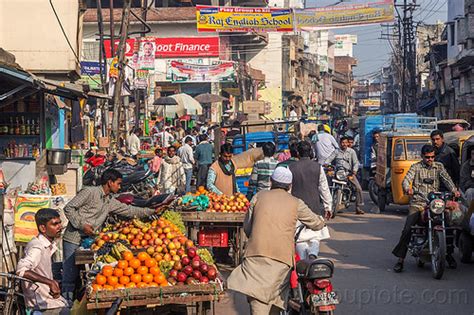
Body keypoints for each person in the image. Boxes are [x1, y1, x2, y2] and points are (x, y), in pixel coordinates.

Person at [227, 167, 326, 315]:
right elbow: (316, 223)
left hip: (255, 256)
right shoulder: (296, 202)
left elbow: (247, 227)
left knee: (258, 299)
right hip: (281, 259)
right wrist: (322, 221)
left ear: (271, 182)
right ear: (290, 186)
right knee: (275, 299)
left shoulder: (259, 196)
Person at [62, 169, 158, 303]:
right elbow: (69, 208)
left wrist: (152, 210)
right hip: (73, 238)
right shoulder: (90, 192)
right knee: (70, 275)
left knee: (89, 274)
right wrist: (82, 224)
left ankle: (81, 303)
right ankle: (66, 304)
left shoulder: (109, 200)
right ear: (109, 182)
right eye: (118, 184)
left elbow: (129, 210)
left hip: (91, 241)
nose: (119, 187)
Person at [392, 144, 460, 273]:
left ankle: (448, 254)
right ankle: (400, 260)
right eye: (427, 157)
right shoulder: (415, 167)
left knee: (449, 224)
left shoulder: (439, 166)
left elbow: (447, 179)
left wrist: (454, 190)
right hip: (418, 203)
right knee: (408, 228)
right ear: (422, 156)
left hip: (435, 202)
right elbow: (406, 180)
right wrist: (408, 188)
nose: (430, 159)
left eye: (432, 157)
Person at [17, 208, 69, 314]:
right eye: (54, 224)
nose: (60, 227)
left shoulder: (47, 246)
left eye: (60, 223)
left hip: (50, 300)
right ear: (43, 228)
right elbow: (21, 270)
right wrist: (50, 282)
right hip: (41, 304)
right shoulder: (37, 247)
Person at [289, 141, 333, 218]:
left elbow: (288, 190)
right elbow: (324, 188)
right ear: (310, 152)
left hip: (295, 209)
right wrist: (328, 207)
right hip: (313, 209)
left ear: (298, 153)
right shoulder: (318, 167)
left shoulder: (290, 168)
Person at [325, 136, 364, 214]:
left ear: (348, 143)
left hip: (348, 173)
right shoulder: (336, 151)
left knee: (358, 188)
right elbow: (328, 159)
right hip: (338, 173)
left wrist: (354, 171)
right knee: (326, 186)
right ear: (340, 143)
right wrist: (327, 165)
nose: (344, 144)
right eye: (343, 143)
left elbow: (356, 163)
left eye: (346, 142)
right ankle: (327, 205)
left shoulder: (352, 152)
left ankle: (358, 207)